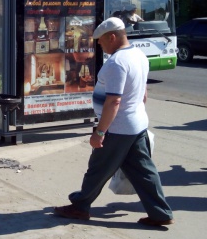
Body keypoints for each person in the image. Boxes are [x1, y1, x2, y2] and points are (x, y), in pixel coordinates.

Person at [54, 17, 174, 227]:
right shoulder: (139, 55)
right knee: (144, 171)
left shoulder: (117, 63)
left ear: (112, 37)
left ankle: (80, 206)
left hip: (118, 128)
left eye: (101, 41)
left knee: (98, 168)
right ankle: (160, 212)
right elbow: (143, 93)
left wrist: (99, 133)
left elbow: (114, 101)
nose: (100, 45)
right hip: (136, 125)